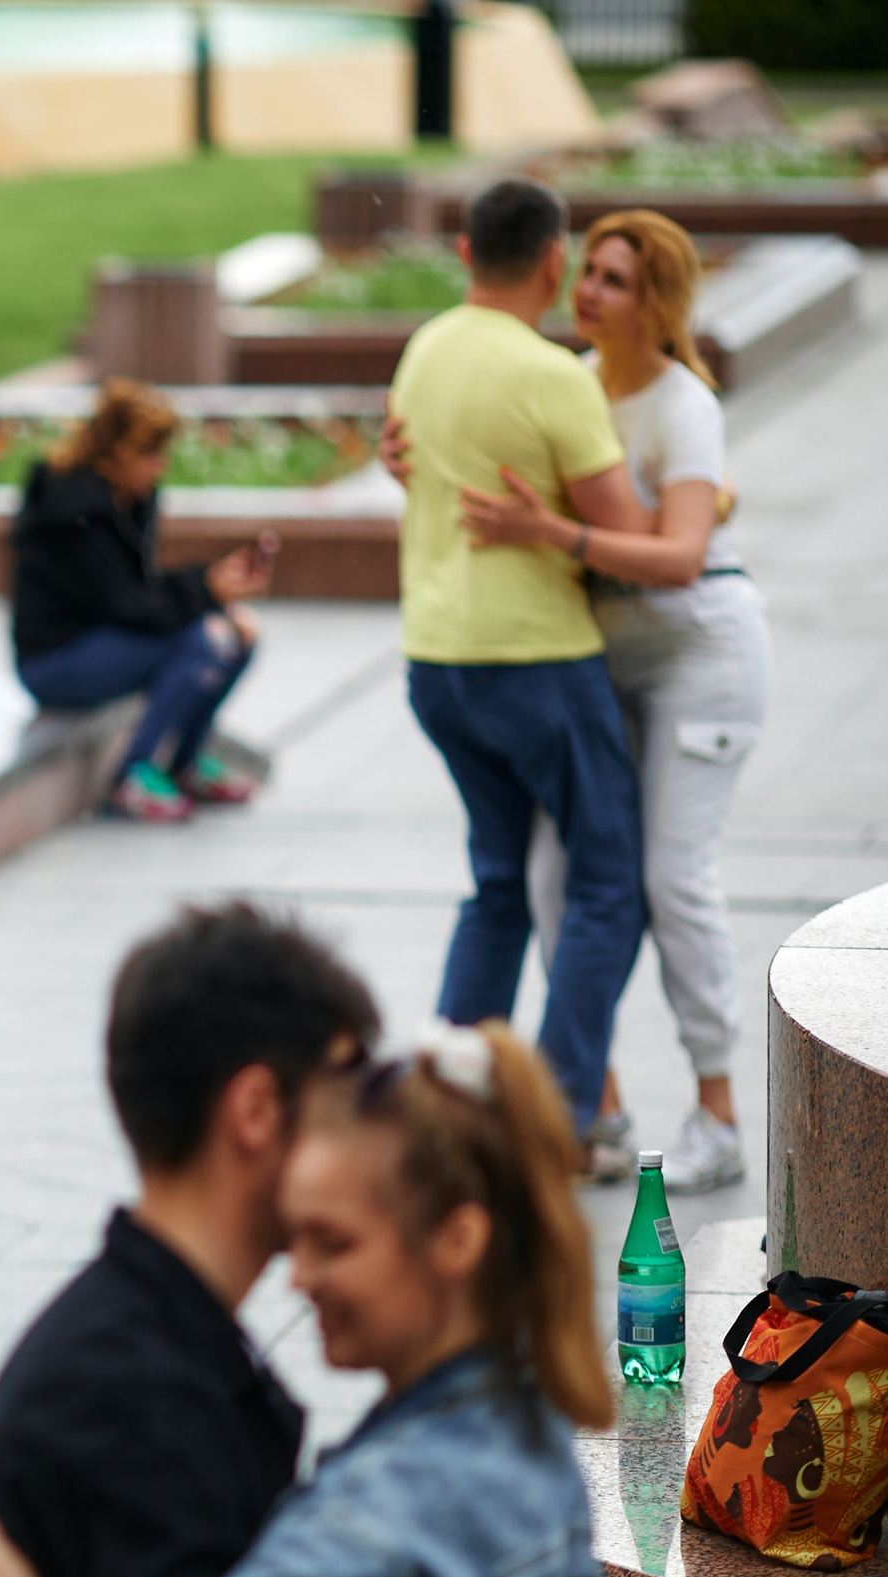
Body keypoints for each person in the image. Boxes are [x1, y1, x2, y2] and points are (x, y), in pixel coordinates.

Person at [0, 905, 558, 1577]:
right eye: (349, 1084)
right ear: (256, 1111)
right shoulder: (141, 1395)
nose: (371, 1122)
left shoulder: (151, 1341)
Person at [439, 211, 766, 1194]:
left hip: (698, 654)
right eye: (586, 273)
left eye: (616, 280)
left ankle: (717, 1112)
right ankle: (599, 1105)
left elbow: (677, 560)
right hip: (601, 662)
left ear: (655, 301)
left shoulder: (681, 405)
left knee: (670, 878)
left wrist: (554, 534)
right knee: (553, 878)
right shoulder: (570, 384)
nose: (588, 291)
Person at [385, 176, 657, 1133]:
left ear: (464, 253)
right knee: (607, 885)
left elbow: (415, 465)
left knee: (499, 883)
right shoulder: (552, 376)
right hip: (537, 661)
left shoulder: (423, 352)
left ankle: (450, 1105)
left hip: (436, 657)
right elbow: (630, 534)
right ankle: (564, 1113)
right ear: (555, 260)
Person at [9, 379, 272, 822]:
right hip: (54, 661)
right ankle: (131, 777)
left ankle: (186, 763)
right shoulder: (76, 508)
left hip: (103, 639)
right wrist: (208, 592)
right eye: (150, 454)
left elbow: (138, 591)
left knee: (237, 635)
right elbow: (126, 604)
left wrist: (216, 594)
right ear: (117, 453)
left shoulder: (128, 497)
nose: (160, 466)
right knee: (204, 642)